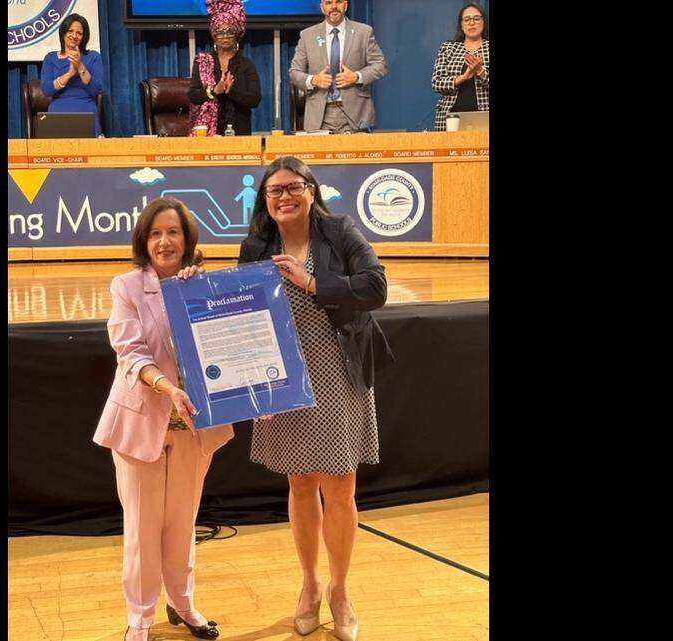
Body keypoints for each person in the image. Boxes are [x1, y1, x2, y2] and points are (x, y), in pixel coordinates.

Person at [237, 156, 394, 641]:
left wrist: (311, 282)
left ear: (311, 190)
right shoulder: (257, 245)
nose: (283, 197)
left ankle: (341, 589)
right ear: (265, 200)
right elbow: (238, 306)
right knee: (301, 485)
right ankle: (308, 585)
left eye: (292, 188)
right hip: (282, 375)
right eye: (273, 191)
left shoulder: (340, 231)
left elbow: (376, 287)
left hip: (336, 371)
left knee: (341, 488)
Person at [93, 197, 235, 641]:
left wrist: (193, 298)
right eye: (155, 233)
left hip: (194, 428)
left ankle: (183, 604)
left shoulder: (204, 286)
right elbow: (130, 352)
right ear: (143, 240)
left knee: (182, 523)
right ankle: (139, 618)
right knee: (141, 528)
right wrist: (167, 387)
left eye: (173, 232)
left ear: (187, 239)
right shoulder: (126, 286)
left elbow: (227, 351)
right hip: (141, 423)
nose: (164, 241)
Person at [290, 0, 387, 133]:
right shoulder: (307, 35)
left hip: (356, 115)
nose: (334, 6)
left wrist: (356, 77)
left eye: (339, 2)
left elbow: (380, 65)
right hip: (319, 117)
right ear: (322, 7)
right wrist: (314, 80)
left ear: (346, 5)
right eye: (329, 2)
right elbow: (294, 72)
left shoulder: (363, 32)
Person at [188, 0, 262, 136]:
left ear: (237, 35)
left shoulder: (246, 64)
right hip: (207, 132)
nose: (225, 36)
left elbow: (255, 99)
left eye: (229, 32)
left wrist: (230, 92)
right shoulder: (203, 62)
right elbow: (193, 95)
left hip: (239, 131)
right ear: (214, 36)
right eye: (220, 32)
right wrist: (215, 91)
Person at [40, 13, 105, 136]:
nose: (74, 36)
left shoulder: (93, 57)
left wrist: (80, 66)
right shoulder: (50, 58)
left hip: (87, 114)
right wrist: (69, 74)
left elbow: (96, 89)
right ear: (63, 33)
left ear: (84, 36)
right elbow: (46, 90)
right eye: (70, 31)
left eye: (79, 33)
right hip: (57, 114)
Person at [431, 3, 490, 131]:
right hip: (450, 118)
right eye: (467, 19)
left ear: (483, 22)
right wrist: (462, 78)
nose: (471, 23)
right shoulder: (448, 48)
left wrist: (481, 72)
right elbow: (436, 83)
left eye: (476, 18)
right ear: (461, 24)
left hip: (485, 117)